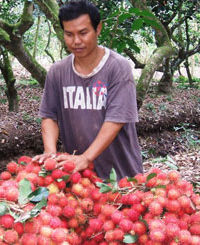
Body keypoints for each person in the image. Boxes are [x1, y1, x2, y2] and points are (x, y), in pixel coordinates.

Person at [33, 0, 143, 180]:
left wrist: (86, 157)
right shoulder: (57, 71)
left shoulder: (117, 68)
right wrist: (50, 153)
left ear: (98, 29)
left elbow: (116, 120)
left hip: (122, 177)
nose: (76, 41)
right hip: (81, 178)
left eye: (83, 33)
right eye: (69, 34)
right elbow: (49, 116)